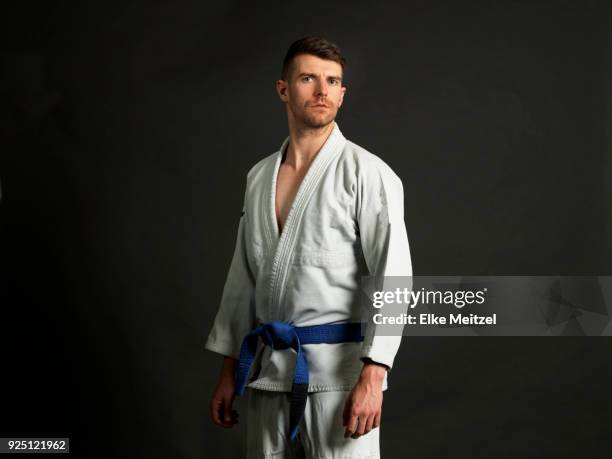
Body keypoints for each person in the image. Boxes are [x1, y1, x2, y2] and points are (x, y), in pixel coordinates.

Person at [205, 36, 412, 458]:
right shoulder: (259, 177)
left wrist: (374, 376)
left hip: (339, 380)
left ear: (342, 93)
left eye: (333, 81)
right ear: (284, 89)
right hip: (268, 374)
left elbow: (394, 276)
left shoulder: (367, 173)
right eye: (308, 78)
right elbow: (242, 279)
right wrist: (230, 371)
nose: (322, 91)